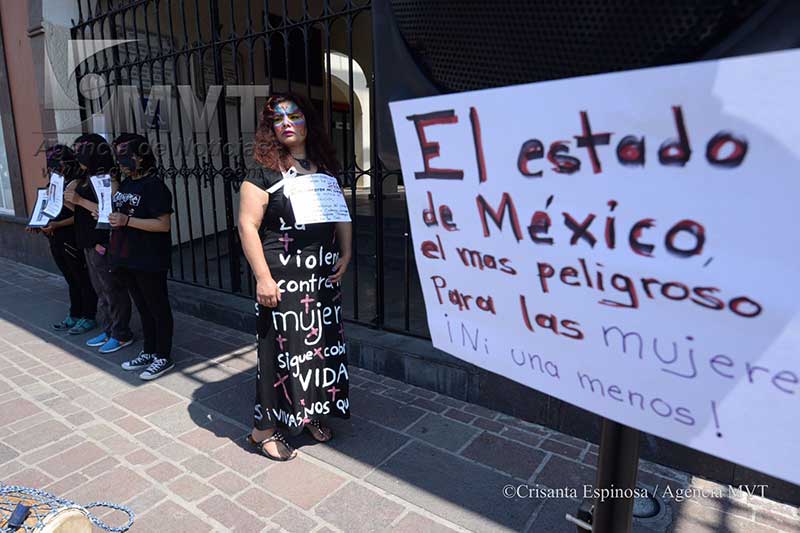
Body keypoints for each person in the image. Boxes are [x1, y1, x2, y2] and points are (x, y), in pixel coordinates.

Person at [238, 93, 352, 461]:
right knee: (279, 353)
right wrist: (262, 277)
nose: (287, 123)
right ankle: (263, 429)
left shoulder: (324, 166)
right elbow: (247, 224)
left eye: (295, 115)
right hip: (282, 276)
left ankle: (310, 412)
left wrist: (347, 252)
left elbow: (340, 211)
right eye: (278, 118)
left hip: (322, 276)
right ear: (270, 128)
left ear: (308, 121)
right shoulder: (262, 169)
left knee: (319, 350)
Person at [110, 133, 176, 381]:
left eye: (128, 156)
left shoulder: (155, 186)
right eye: (120, 157)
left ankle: (163, 356)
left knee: (158, 308)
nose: (123, 162)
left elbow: (163, 225)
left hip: (149, 259)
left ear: (142, 157)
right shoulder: (127, 183)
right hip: (127, 257)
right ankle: (149, 351)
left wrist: (127, 220)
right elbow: (118, 208)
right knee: (143, 308)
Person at [65, 133, 134, 353]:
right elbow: (74, 207)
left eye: (81, 151)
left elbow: (105, 211)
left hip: (101, 240)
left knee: (112, 289)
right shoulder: (84, 176)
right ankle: (108, 329)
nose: (77, 156)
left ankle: (121, 333)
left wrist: (79, 200)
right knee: (100, 290)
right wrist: (72, 190)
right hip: (86, 239)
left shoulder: (109, 178)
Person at [27, 145, 98, 334]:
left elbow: (81, 216)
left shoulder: (77, 184)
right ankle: (75, 313)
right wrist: (37, 223)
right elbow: (48, 208)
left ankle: (88, 316)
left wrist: (58, 224)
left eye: (56, 164)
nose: (52, 169)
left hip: (71, 238)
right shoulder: (54, 182)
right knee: (70, 279)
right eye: (50, 165)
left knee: (81, 278)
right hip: (54, 238)